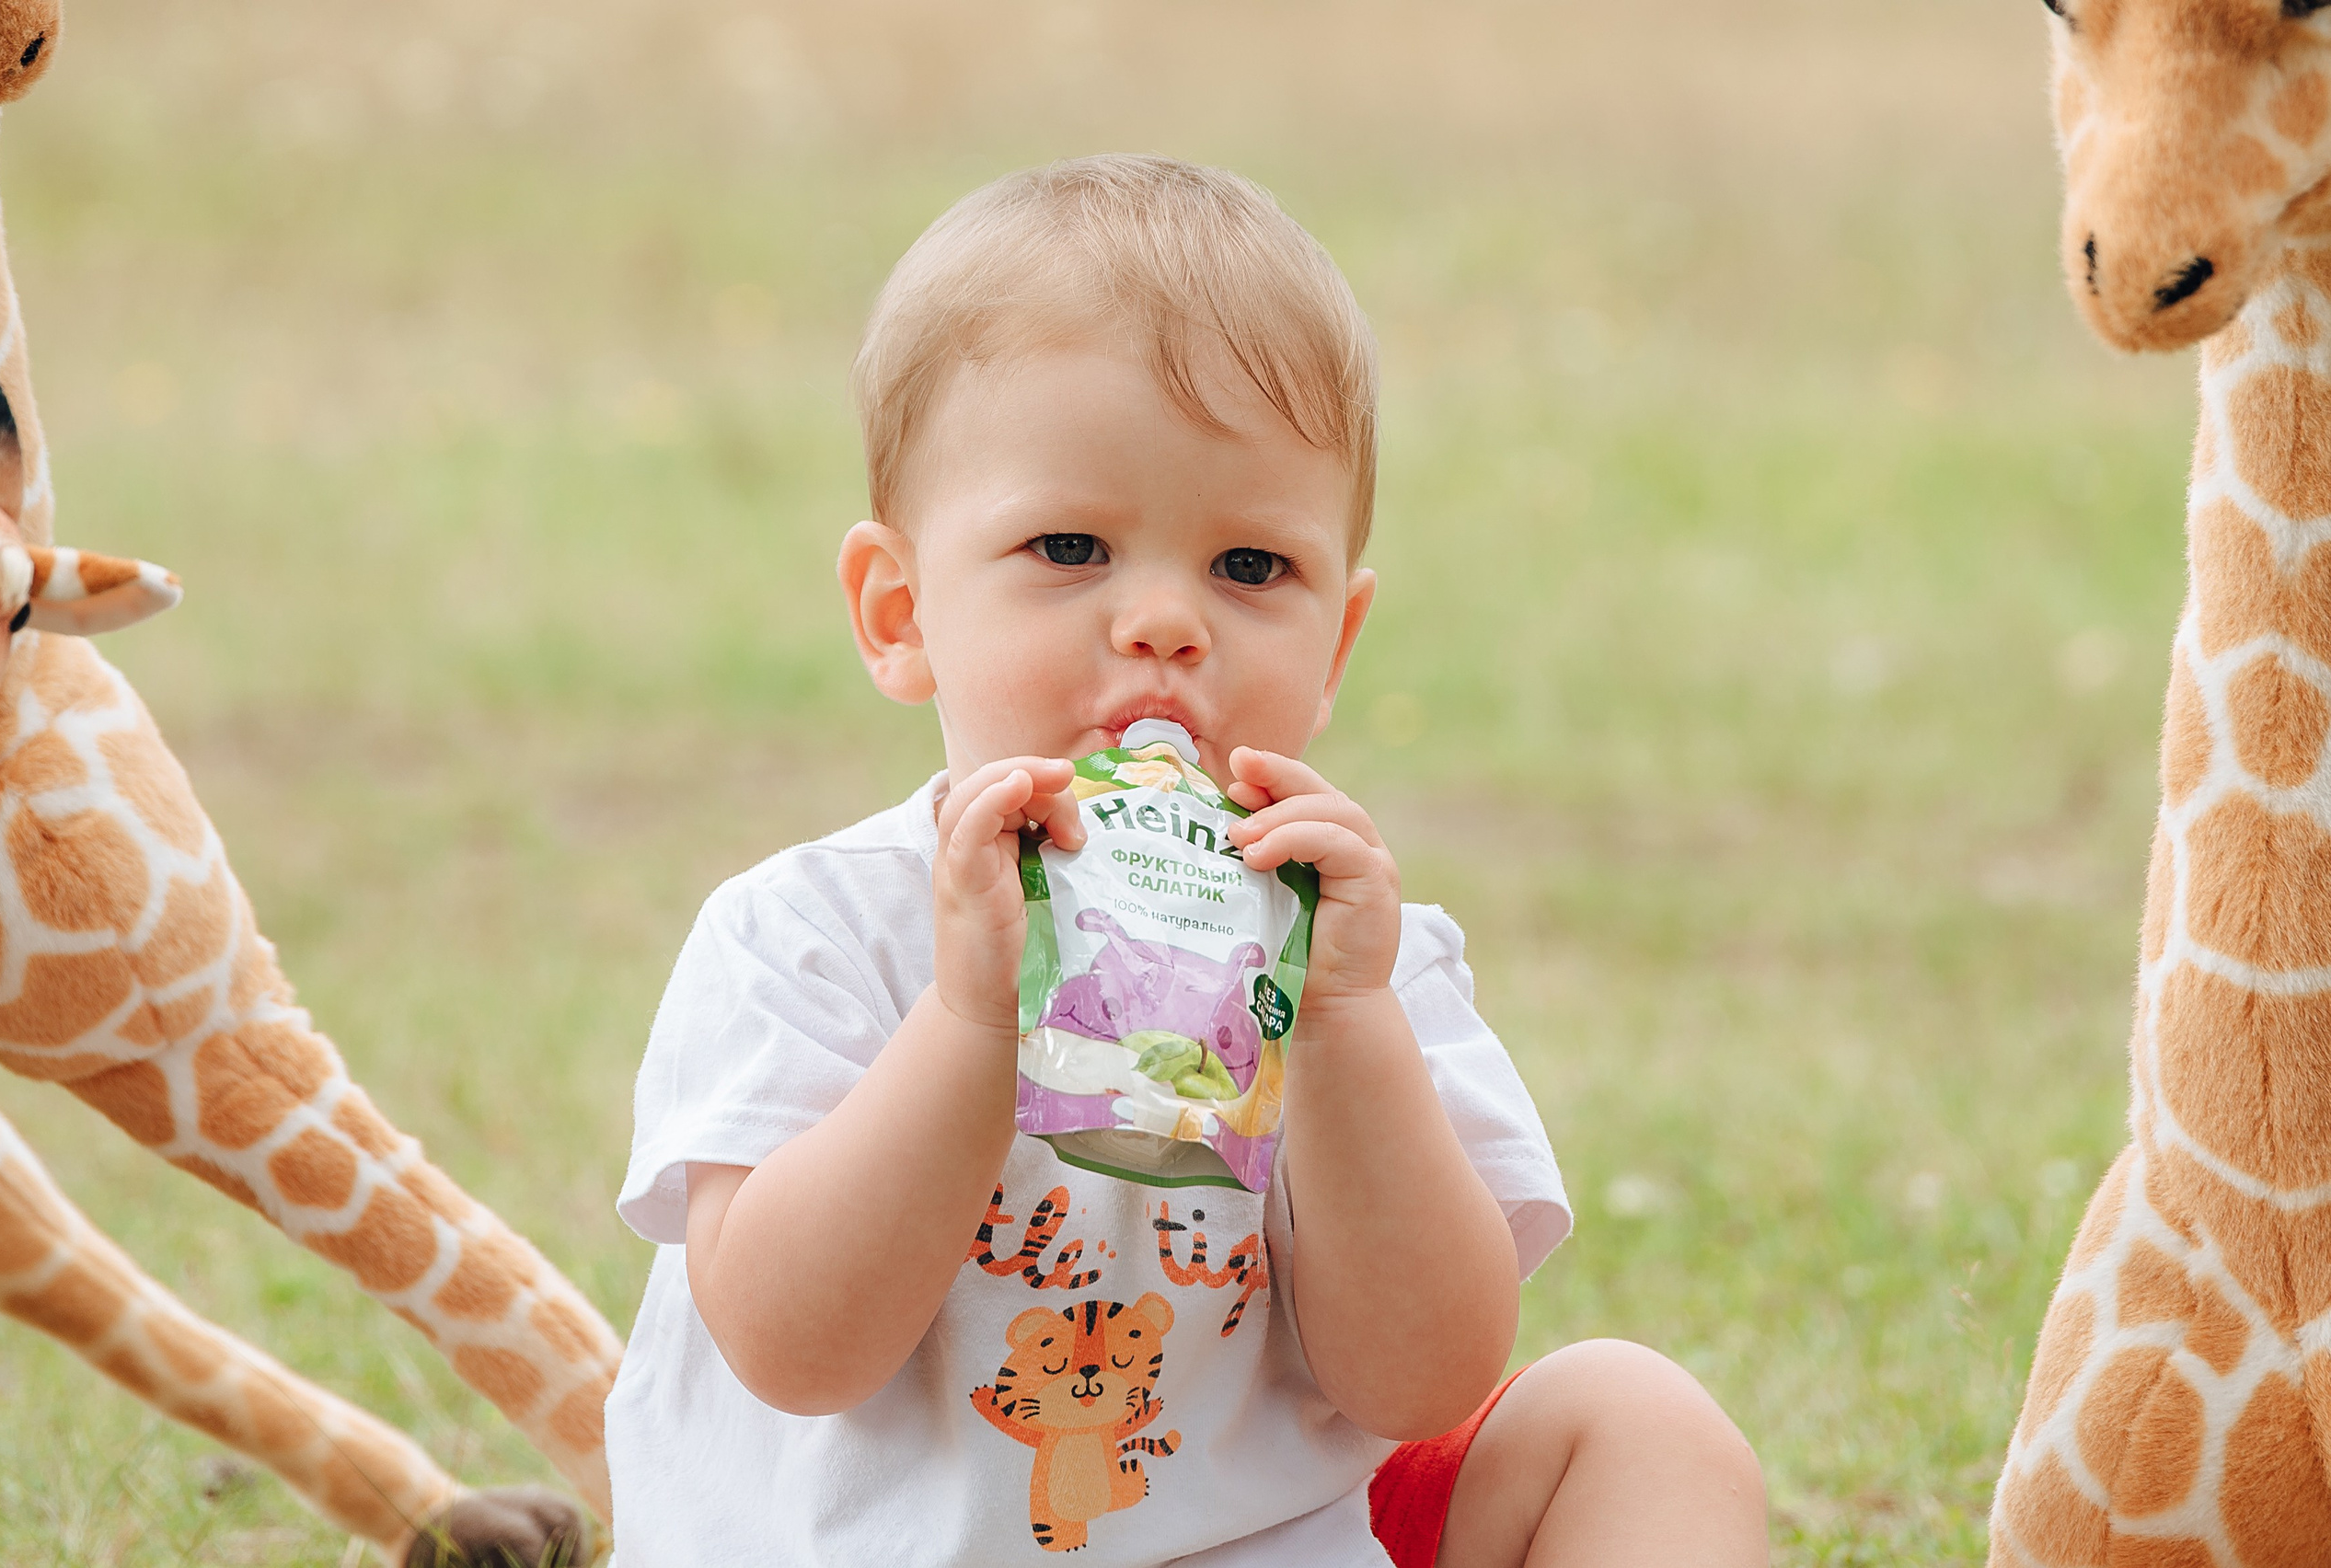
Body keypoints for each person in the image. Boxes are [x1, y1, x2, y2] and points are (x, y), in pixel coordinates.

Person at [606, 154, 1767, 1568]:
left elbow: (1419, 1383)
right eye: (1071, 546)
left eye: (1251, 570)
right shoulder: (807, 932)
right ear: (901, 613)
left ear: (1335, 644)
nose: (1165, 623)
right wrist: (972, 1015)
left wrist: (1344, 1024)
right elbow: (796, 1348)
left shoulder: (1356, 958)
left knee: (1635, 1423)